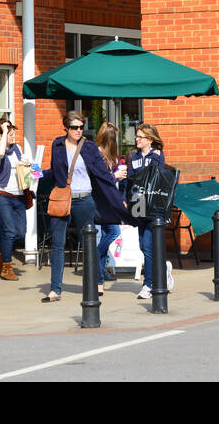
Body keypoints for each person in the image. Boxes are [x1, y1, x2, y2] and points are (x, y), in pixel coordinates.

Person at [44, 113, 127, 303]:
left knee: (87, 244)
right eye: (74, 127)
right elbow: (54, 171)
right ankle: (55, 289)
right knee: (57, 244)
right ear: (65, 127)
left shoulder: (88, 147)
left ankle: (97, 282)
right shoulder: (57, 145)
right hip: (62, 199)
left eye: (81, 127)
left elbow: (100, 173)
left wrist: (114, 183)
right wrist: (36, 173)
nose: (78, 131)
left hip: (84, 201)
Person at [128, 122, 173, 300]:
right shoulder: (133, 157)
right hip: (138, 203)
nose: (137, 139)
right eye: (137, 136)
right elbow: (132, 181)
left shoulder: (157, 155)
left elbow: (154, 173)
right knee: (142, 245)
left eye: (141, 137)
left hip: (153, 204)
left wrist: (153, 156)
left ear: (150, 139)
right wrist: (127, 201)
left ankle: (148, 284)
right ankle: (163, 269)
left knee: (148, 246)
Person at [0, 115, 28, 280]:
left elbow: (25, 167)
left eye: (12, 132)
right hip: (1, 195)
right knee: (9, 231)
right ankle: (6, 268)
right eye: (8, 132)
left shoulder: (18, 149)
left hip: (18, 196)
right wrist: (4, 130)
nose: (12, 135)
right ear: (0, 135)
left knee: (20, 233)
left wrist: (30, 169)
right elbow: (1, 153)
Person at [93, 122, 127, 290]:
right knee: (113, 232)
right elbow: (99, 182)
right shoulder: (98, 155)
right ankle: (94, 261)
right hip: (101, 203)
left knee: (107, 237)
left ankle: (99, 282)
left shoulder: (110, 156)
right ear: (110, 139)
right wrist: (115, 176)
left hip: (110, 202)